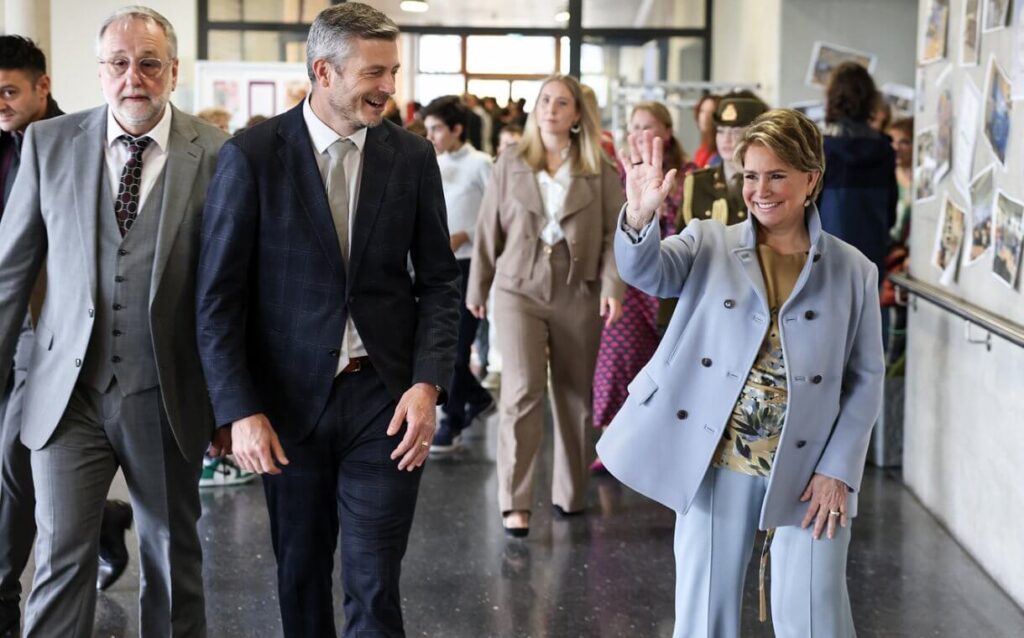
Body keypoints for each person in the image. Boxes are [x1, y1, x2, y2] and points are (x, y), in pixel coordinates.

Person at [195, 4, 461, 636]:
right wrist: (238, 410)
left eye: (393, 71)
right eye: (374, 73)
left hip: (385, 399)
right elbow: (218, 299)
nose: (389, 88)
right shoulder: (253, 156)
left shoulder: (412, 157)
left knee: (375, 581)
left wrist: (428, 385)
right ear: (324, 70)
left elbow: (440, 283)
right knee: (301, 573)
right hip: (288, 406)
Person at [598, 109, 884, 637]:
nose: (761, 190)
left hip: (811, 471)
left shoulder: (853, 271)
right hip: (718, 460)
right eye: (751, 175)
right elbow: (648, 272)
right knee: (706, 614)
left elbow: (866, 380)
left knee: (816, 614)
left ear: (811, 179)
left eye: (777, 174)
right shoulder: (708, 241)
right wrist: (638, 219)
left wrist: (839, 470)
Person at [0, 7, 228, 635]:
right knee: (58, 559)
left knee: (171, 557)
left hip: (166, 393)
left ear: (173, 71)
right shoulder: (49, 144)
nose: (135, 78)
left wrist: (233, 404)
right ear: (100, 73)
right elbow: (10, 272)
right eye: (119, 64)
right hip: (64, 396)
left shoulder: (217, 153)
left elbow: (232, 293)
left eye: (150, 63)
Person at [0, 34, 137, 632]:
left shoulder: (70, 141)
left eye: (9, 90)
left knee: (12, 460)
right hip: (12, 325)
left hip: (49, 336)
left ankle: (4, 595)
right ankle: (99, 517)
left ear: (42, 86)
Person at [467, 74, 625, 537]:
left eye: (561, 103)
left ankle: (570, 493)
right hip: (518, 288)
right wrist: (477, 286)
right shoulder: (511, 160)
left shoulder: (599, 167)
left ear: (578, 114)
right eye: (544, 101)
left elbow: (617, 234)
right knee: (521, 391)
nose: (551, 109)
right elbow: (487, 228)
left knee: (575, 396)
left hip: (579, 290)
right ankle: (515, 501)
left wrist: (613, 285)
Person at [592, 102, 696, 447]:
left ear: (666, 132)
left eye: (648, 126)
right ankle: (616, 442)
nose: (639, 133)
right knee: (619, 361)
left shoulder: (689, 175)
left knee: (671, 368)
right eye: (633, 126)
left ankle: (662, 442)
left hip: (676, 283)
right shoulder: (619, 176)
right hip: (630, 285)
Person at [422, 96, 495, 453]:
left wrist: (466, 233)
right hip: (433, 264)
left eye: (437, 128)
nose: (430, 135)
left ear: (457, 129)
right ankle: (477, 397)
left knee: (456, 345)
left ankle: (450, 419)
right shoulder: (427, 162)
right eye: (428, 128)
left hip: (469, 264)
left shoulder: (482, 164)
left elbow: (501, 217)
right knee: (438, 341)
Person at [818, 62, 897, 277]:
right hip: (872, 252)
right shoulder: (885, 149)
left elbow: (810, 207)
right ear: (870, 100)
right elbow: (891, 214)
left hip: (829, 250)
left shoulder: (823, 149)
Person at [678, 93, 768, 230]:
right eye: (720, 131)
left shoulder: (768, 182)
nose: (726, 139)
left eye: (736, 132)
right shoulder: (698, 183)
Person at [692, 93, 721, 168]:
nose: (705, 117)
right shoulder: (702, 150)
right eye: (702, 111)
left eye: (711, 112)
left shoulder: (722, 153)